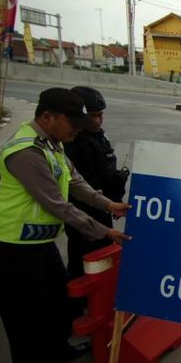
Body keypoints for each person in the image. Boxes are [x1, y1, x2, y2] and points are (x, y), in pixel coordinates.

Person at [0, 88, 132, 363]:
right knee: (25, 318)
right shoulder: (26, 152)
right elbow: (58, 206)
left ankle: (58, 350)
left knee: (55, 303)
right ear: (47, 116)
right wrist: (105, 231)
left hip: (39, 244)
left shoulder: (53, 145)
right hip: (9, 249)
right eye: (72, 122)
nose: (77, 128)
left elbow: (76, 183)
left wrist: (108, 203)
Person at [64, 87, 129, 283]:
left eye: (100, 115)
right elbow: (77, 185)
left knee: (104, 256)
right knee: (83, 260)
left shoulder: (99, 136)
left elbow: (108, 171)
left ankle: (100, 295)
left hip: (102, 206)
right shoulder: (70, 143)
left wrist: (114, 201)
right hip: (82, 211)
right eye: (93, 116)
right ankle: (80, 302)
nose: (98, 120)